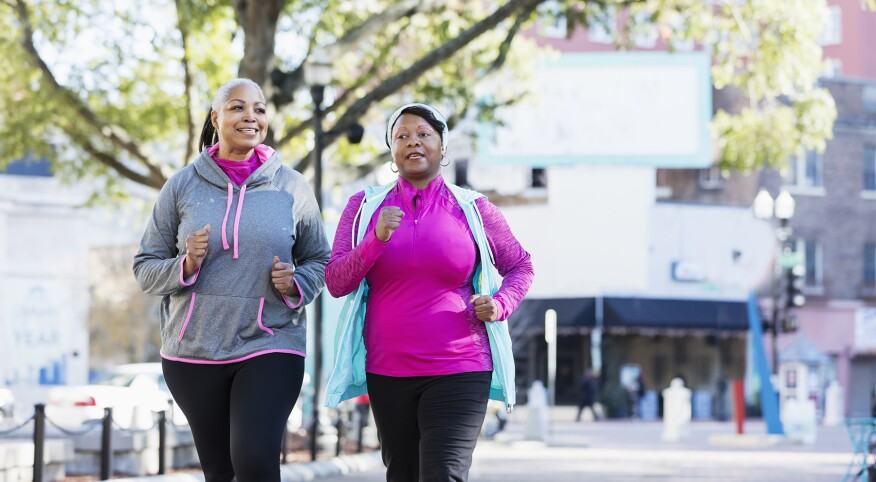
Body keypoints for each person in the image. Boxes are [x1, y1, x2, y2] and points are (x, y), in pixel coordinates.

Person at [323, 103, 534, 481]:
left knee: (444, 474)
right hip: (388, 370)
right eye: (402, 136)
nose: (413, 142)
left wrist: (501, 303)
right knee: (403, 474)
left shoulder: (473, 209)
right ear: (391, 150)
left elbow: (521, 265)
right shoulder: (364, 207)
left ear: (442, 145)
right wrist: (376, 239)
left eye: (423, 134)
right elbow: (337, 282)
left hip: (461, 365)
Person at [133, 78, 330, 482]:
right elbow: (145, 266)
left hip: (270, 341)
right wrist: (184, 265)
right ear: (215, 118)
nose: (250, 117)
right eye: (238, 107)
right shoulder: (182, 185)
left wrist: (296, 283)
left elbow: (320, 260)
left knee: (255, 461)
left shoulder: (290, 186)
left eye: (259, 109)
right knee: (220, 472)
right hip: (195, 348)